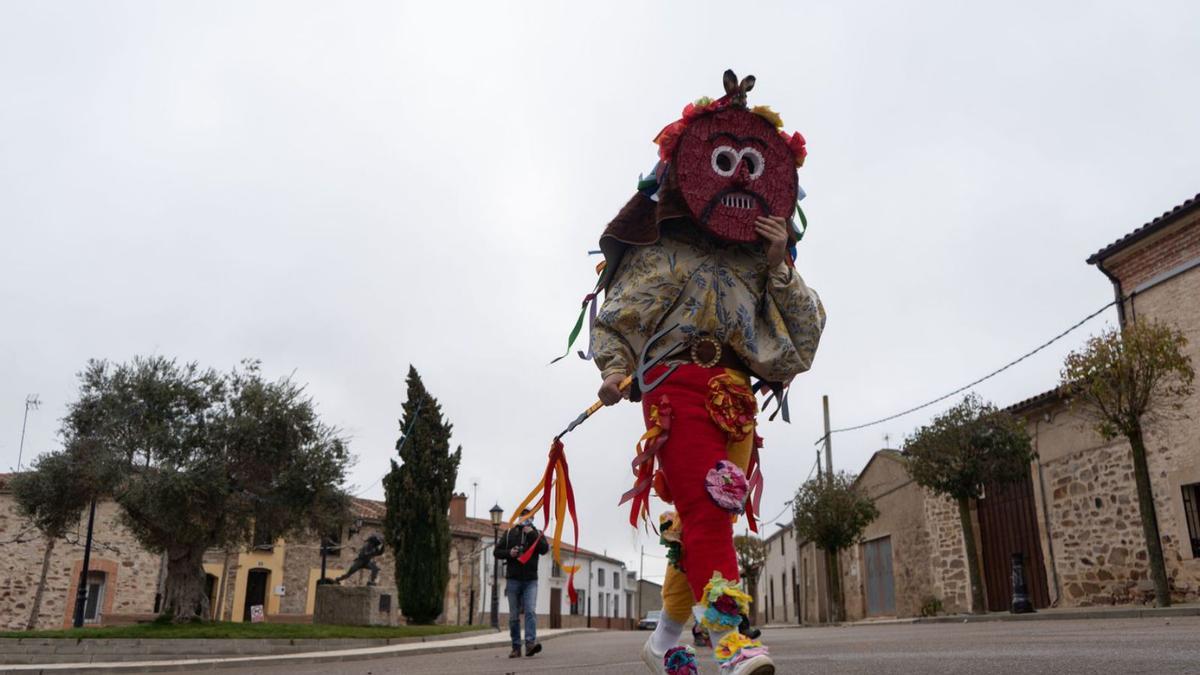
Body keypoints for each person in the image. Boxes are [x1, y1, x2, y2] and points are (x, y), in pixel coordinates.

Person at [591, 70, 825, 675]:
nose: (742, 176)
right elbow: (616, 319)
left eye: (753, 165)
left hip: (736, 398)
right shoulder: (661, 248)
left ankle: (666, 637)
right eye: (725, 161)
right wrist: (617, 372)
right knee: (709, 503)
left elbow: (804, 337)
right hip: (674, 388)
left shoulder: (759, 260)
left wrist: (779, 264)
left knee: (701, 516)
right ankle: (729, 637)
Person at [493, 508, 550, 658]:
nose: (525, 518)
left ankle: (530, 644)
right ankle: (516, 647)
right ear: (519, 516)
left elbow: (544, 549)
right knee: (514, 615)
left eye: (529, 516)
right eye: (523, 515)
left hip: (531, 580)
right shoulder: (510, 533)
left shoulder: (537, 534)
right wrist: (509, 553)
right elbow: (496, 552)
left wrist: (531, 533)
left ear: (533, 518)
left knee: (530, 611)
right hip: (513, 579)